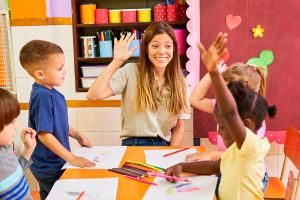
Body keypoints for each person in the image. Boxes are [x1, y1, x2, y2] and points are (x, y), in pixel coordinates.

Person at [165, 33, 277, 200]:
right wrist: (182, 166)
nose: (218, 132)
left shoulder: (252, 135)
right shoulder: (225, 114)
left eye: (222, 127)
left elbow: (230, 115)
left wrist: (213, 71)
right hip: (229, 177)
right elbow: (216, 166)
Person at [87, 22, 190, 146]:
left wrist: (171, 155)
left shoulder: (181, 83)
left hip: (164, 147)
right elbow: (93, 95)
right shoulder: (130, 71)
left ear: (174, 48)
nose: (162, 51)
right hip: (133, 144)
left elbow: (179, 128)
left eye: (168, 46)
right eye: (155, 46)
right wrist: (117, 61)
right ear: (146, 48)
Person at [19, 40, 96, 200]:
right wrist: (72, 158)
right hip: (48, 165)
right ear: (40, 74)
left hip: (52, 162)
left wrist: (77, 134)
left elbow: (57, 123)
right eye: (60, 68)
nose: (65, 71)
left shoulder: (50, 92)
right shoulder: (43, 97)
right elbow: (44, 135)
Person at [0, 88, 36, 200]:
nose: (17, 125)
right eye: (12, 122)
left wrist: (28, 149)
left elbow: (14, 172)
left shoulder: (5, 149)